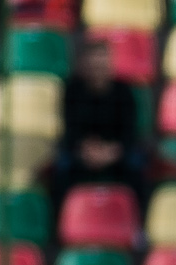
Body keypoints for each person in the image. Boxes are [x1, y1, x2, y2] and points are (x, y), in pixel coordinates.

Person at [51, 38, 145, 209]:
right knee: (59, 175)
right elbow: (70, 130)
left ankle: (138, 230)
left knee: (138, 174)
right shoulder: (72, 91)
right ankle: (59, 227)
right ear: (84, 64)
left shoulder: (124, 92)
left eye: (102, 63)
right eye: (93, 64)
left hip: (116, 155)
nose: (97, 69)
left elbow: (129, 132)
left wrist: (111, 152)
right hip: (83, 155)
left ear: (110, 64)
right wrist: (85, 150)